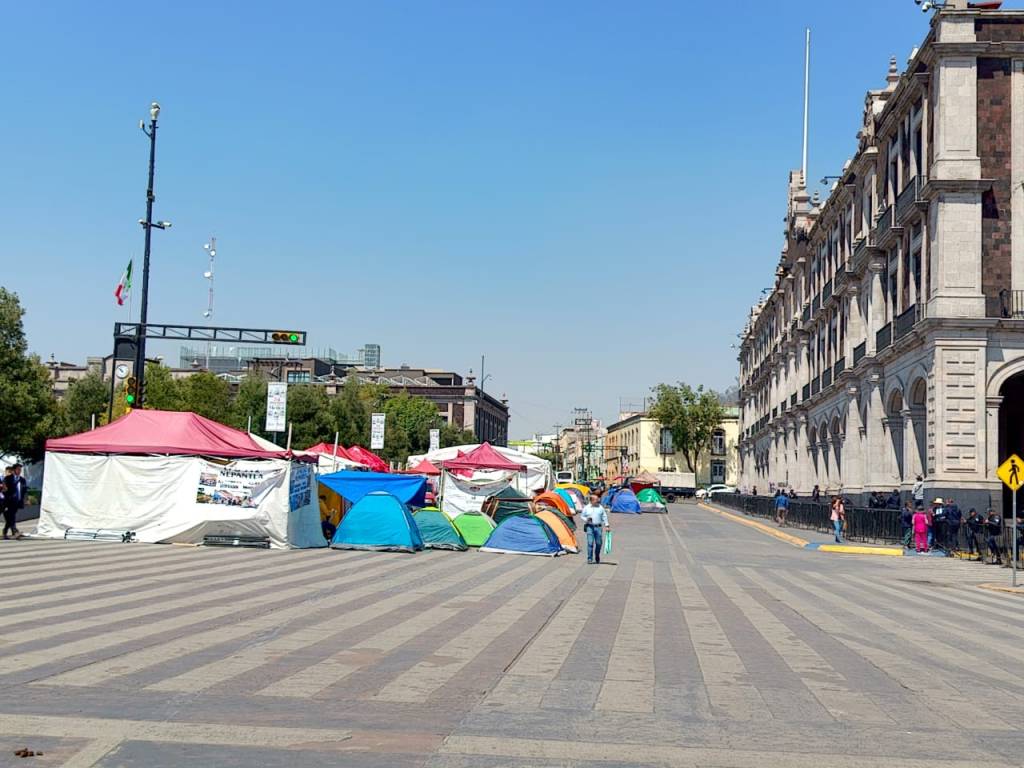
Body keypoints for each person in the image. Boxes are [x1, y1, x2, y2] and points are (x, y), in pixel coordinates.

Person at [580, 493, 610, 565]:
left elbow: (604, 516)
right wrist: (586, 519)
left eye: (598, 499)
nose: (598, 500)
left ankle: (597, 555)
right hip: (590, 527)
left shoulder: (600, 507)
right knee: (590, 543)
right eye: (596, 499)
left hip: (598, 527)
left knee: (599, 543)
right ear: (591, 501)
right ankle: (589, 558)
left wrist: (607, 525)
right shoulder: (586, 508)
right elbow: (582, 516)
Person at [3, 465, 26, 540]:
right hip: (8, 502)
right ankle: (15, 531)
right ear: (14, 470)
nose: (20, 471)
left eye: (20, 469)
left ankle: (5, 531)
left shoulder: (22, 480)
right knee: (11, 517)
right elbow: (4, 490)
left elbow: (24, 490)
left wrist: (24, 499)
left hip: (17, 501)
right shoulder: (8, 478)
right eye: (18, 469)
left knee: (10, 518)